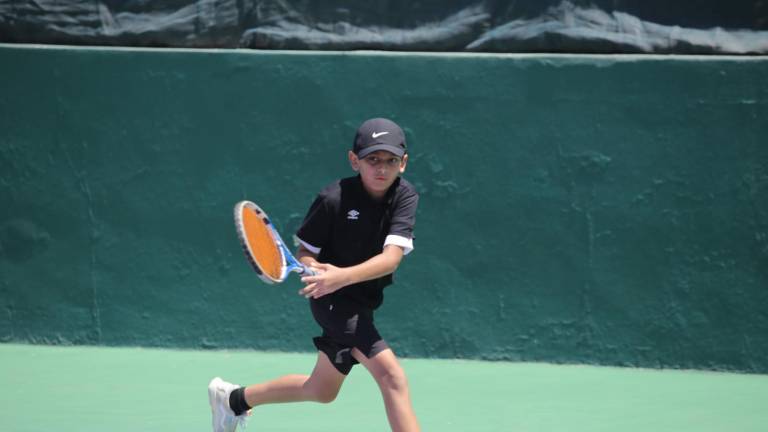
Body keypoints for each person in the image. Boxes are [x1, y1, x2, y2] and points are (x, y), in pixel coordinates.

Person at [208, 118, 421, 432]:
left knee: (321, 390)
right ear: (354, 160)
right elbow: (307, 252)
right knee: (392, 377)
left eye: (390, 161)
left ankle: (232, 400)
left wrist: (342, 276)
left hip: (360, 298)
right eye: (372, 159)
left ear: (403, 163)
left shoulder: (405, 196)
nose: (381, 168)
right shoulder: (333, 198)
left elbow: (391, 259)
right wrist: (319, 272)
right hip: (332, 301)